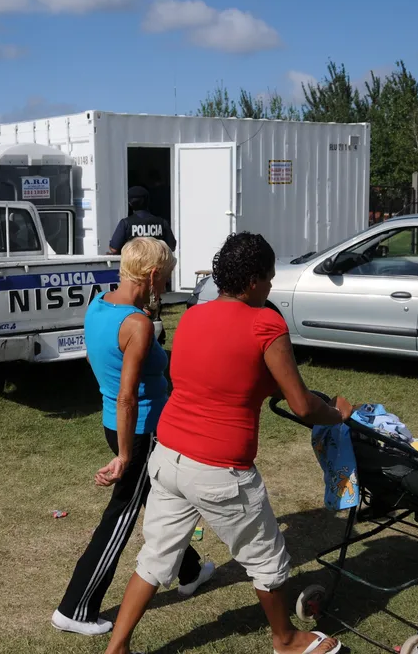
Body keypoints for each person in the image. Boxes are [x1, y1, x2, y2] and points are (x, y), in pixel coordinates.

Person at [103, 232, 355, 654]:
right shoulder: (266, 323)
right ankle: (287, 639)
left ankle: (117, 648)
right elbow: (301, 404)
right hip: (220, 469)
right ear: (254, 280)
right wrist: (338, 414)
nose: (272, 287)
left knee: (157, 555)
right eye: (270, 279)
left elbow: (213, 376)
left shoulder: (194, 316)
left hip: (168, 458)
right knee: (267, 559)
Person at [52, 237, 214, 637]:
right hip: (138, 434)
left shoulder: (99, 304)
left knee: (164, 502)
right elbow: (126, 396)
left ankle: (189, 571)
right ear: (154, 275)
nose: (167, 285)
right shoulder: (138, 325)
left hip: (125, 426)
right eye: (167, 277)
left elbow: (97, 361)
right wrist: (125, 454)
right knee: (122, 515)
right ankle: (75, 607)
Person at [108, 187, 176, 255]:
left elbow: (114, 249)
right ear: (148, 201)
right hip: (157, 264)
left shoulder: (126, 223)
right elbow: (172, 247)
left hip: (135, 264)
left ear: (130, 203)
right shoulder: (162, 223)